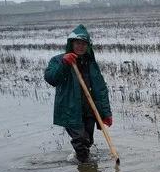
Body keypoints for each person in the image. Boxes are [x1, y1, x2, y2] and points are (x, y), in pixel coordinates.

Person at [44, 24, 112, 163]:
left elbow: (100, 89)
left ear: (88, 46)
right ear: (71, 44)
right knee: (80, 141)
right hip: (70, 109)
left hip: (89, 109)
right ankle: (86, 171)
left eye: (83, 44)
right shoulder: (58, 60)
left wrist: (106, 113)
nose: (80, 47)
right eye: (77, 43)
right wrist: (64, 64)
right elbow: (51, 79)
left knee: (88, 141)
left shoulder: (90, 63)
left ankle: (81, 163)